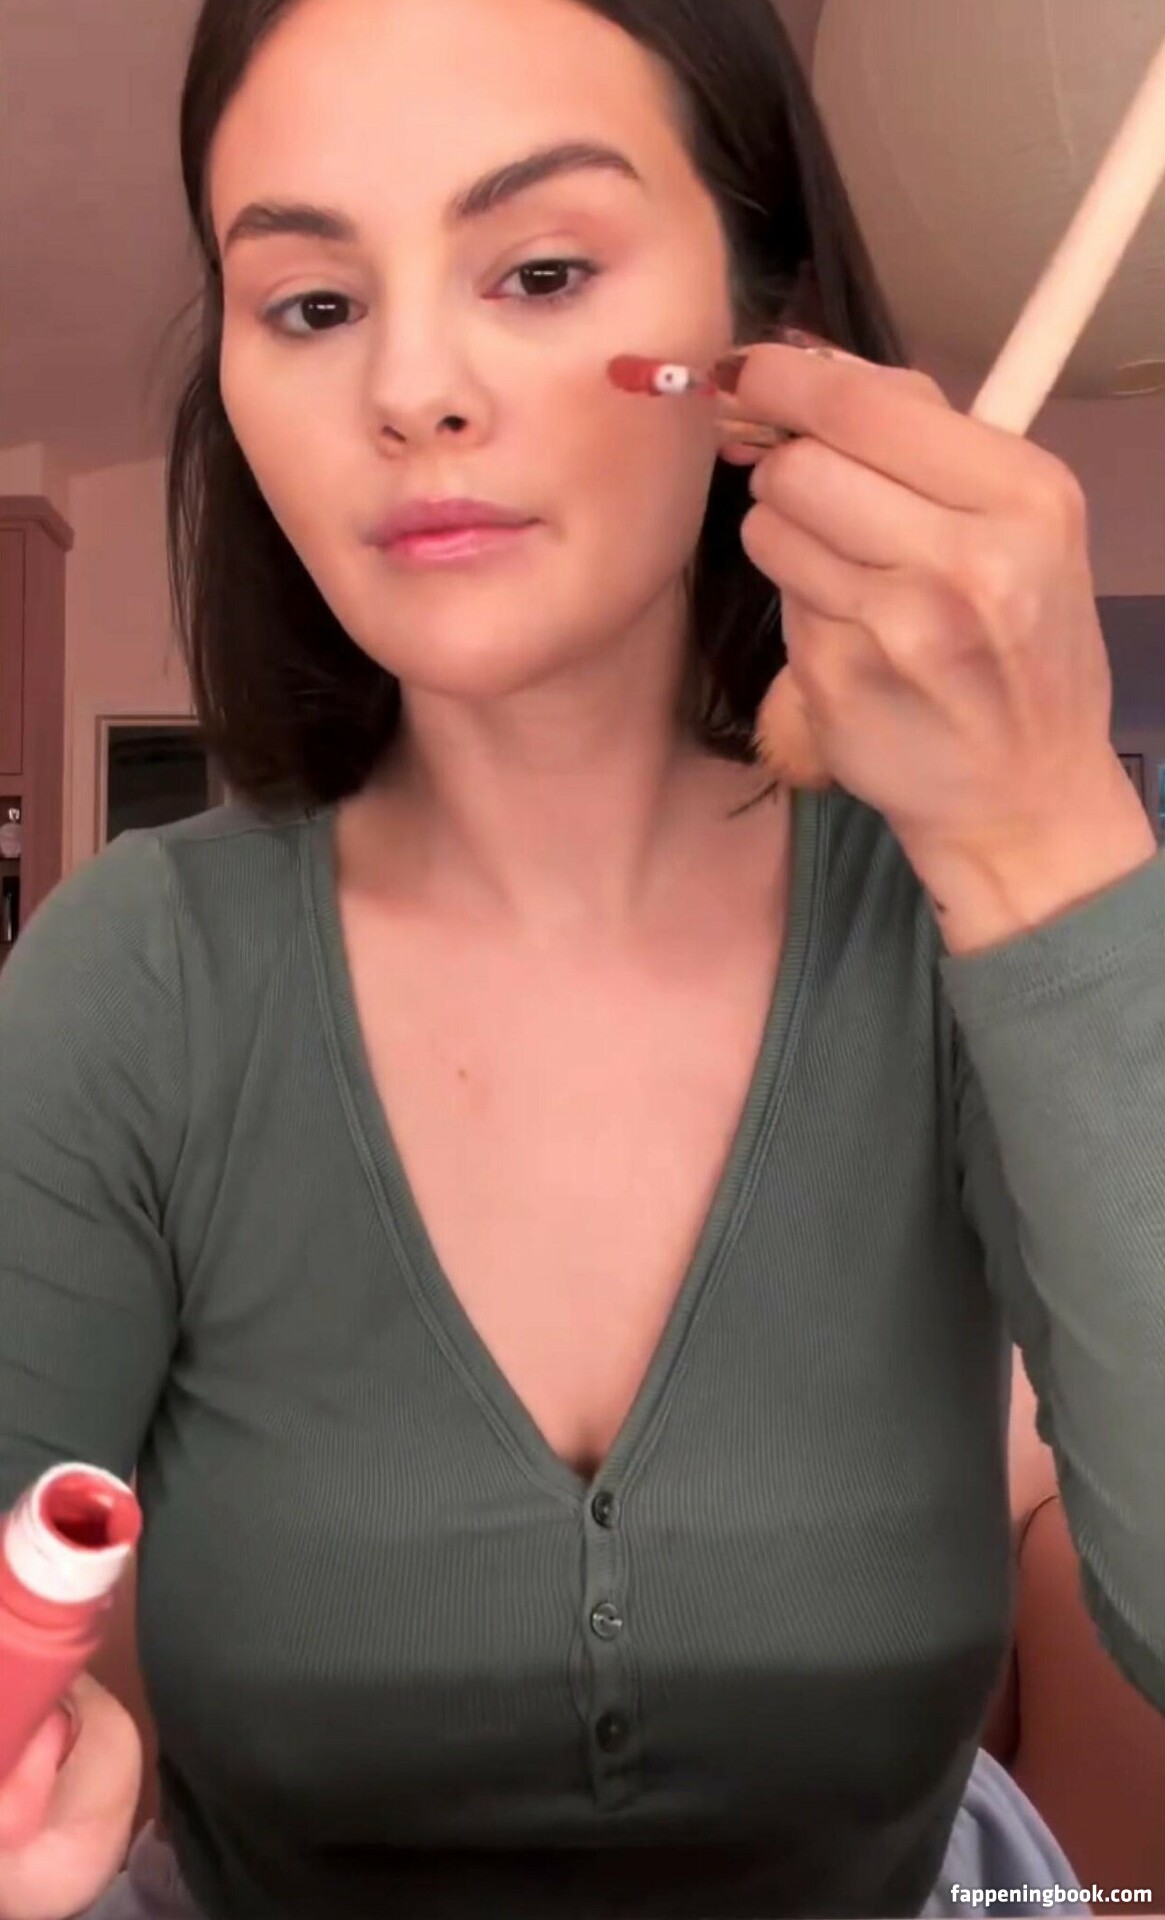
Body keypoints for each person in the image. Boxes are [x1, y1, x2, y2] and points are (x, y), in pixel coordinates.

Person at [0, 0, 1161, 1914]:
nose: (411, 391)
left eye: (539, 271)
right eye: (312, 305)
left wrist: (1043, 832)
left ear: (769, 339)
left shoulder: (950, 921)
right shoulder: (137, 976)